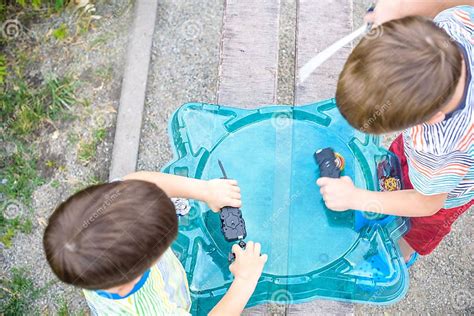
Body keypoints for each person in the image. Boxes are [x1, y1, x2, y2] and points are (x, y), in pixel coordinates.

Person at [318, 1, 473, 265]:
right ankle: (383, 201)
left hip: (446, 190)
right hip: (428, 159)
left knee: (413, 229)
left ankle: (397, 255)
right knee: (393, 172)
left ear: (430, 119)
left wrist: (355, 198)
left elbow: (427, 204)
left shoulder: (438, 149)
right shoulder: (456, 22)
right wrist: (395, 9)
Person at [43, 172, 267, 315]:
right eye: (161, 245)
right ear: (139, 272)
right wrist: (245, 280)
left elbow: (139, 181)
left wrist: (205, 190)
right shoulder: (149, 309)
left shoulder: (105, 213)